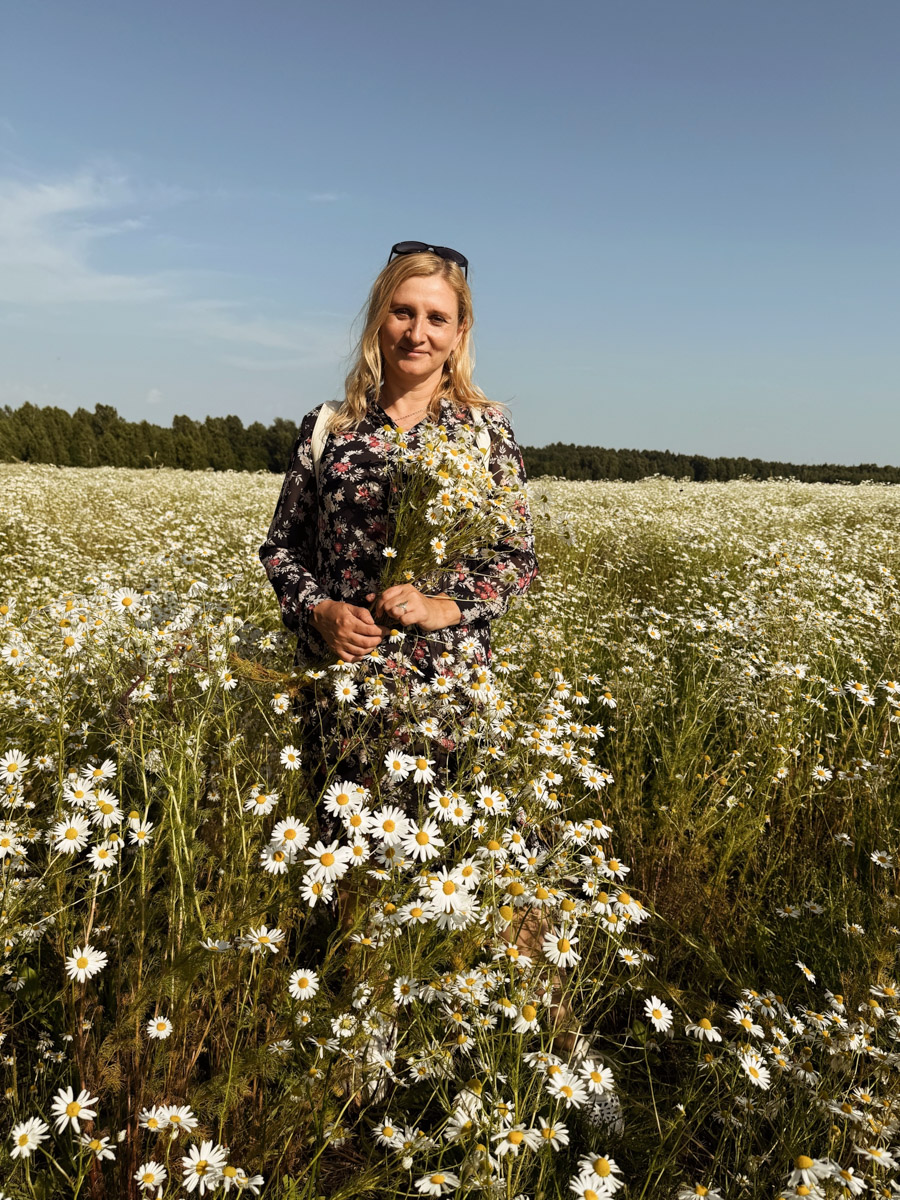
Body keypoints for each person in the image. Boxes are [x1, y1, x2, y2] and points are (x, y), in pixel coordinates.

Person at [258, 241, 538, 683]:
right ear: (378, 319)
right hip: (335, 680)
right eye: (402, 312)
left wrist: (441, 607)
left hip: (444, 690)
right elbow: (283, 548)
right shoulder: (328, 425)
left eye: (437, 318)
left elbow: (516, 557)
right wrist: (319, 610)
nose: (416, 334)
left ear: (460, 332)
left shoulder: (484, 431)